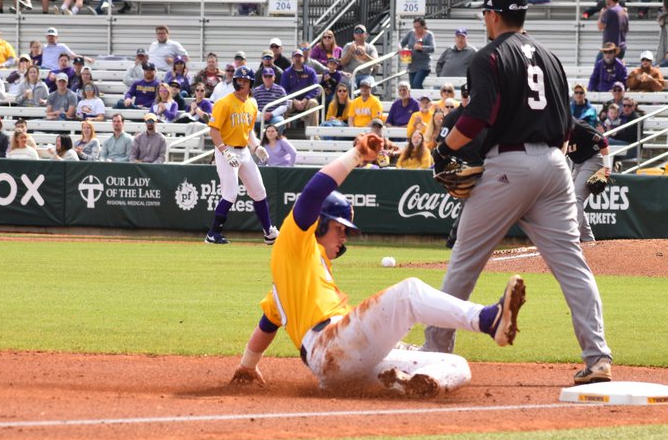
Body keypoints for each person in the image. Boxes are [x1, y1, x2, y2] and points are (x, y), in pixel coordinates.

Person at [231, 129, 524, 395]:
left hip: (340, 366)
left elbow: (267, 324)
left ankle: (413, 382)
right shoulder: (295, 244)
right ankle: (487, 319)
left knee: (455, 364)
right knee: (409, 292)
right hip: (328, 344)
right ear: (318, 224)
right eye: (339, 228)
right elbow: (312, 193)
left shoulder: (291, 282)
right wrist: (357, 155)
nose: (344, 236)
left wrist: (247, 365)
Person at [423, 0, 613, 384]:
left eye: (485, 15)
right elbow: (565, 126)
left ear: (492, 15)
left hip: (508, 165)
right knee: (573, 266)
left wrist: (445, 150)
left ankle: (435, 354)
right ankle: (598, 358)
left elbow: (477, 117)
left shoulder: (488, 57)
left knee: (464, 262)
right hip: (555, 165)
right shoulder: (551, 58)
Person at [206, 67, 279, 245]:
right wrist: (224, 151)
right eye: (239, 80)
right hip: (227, 149)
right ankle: (213, 234)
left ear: (251, 83)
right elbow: (213, 131)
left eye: (245, 81)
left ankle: (269, 233)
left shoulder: (252, 103)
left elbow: (249, 130)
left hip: (244, 151)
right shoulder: (224, 103)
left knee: (259, 191)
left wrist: (256, 147)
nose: (241, 83)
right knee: (230, 194)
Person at [400, 18, 436, 89]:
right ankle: (420, 99)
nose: (416, 29)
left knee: (416, 84)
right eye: (414, 27)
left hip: (424, 65)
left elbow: (432, 48)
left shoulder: (429, 35)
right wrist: (402, 49)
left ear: (423, 26)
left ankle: (424, 99)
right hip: (412, 65)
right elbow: (401, 43)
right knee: (412, 87)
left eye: (418, 27)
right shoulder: (411, 33)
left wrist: (421, 47)